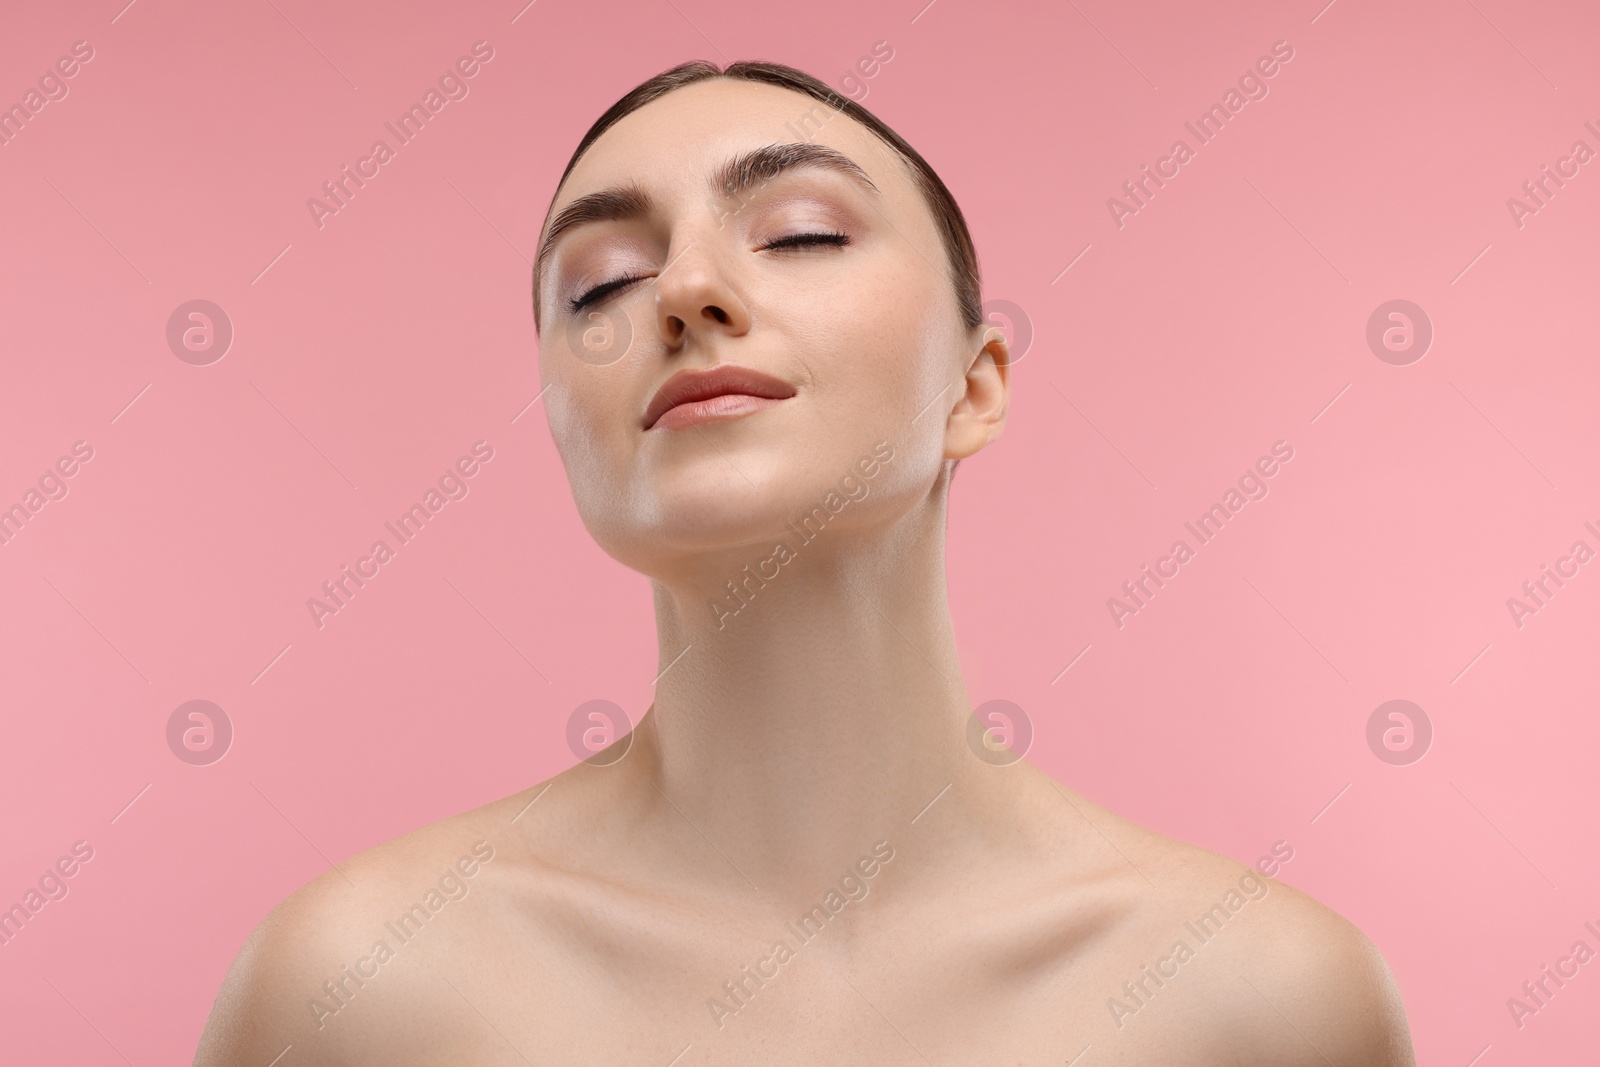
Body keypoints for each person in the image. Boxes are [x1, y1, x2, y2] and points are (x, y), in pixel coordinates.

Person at [194, 60, 1416, 1065]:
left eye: (801, 233)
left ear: (975, 385)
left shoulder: (1259, 1000)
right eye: (600, 282)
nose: (682, 289)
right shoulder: (356, 989)